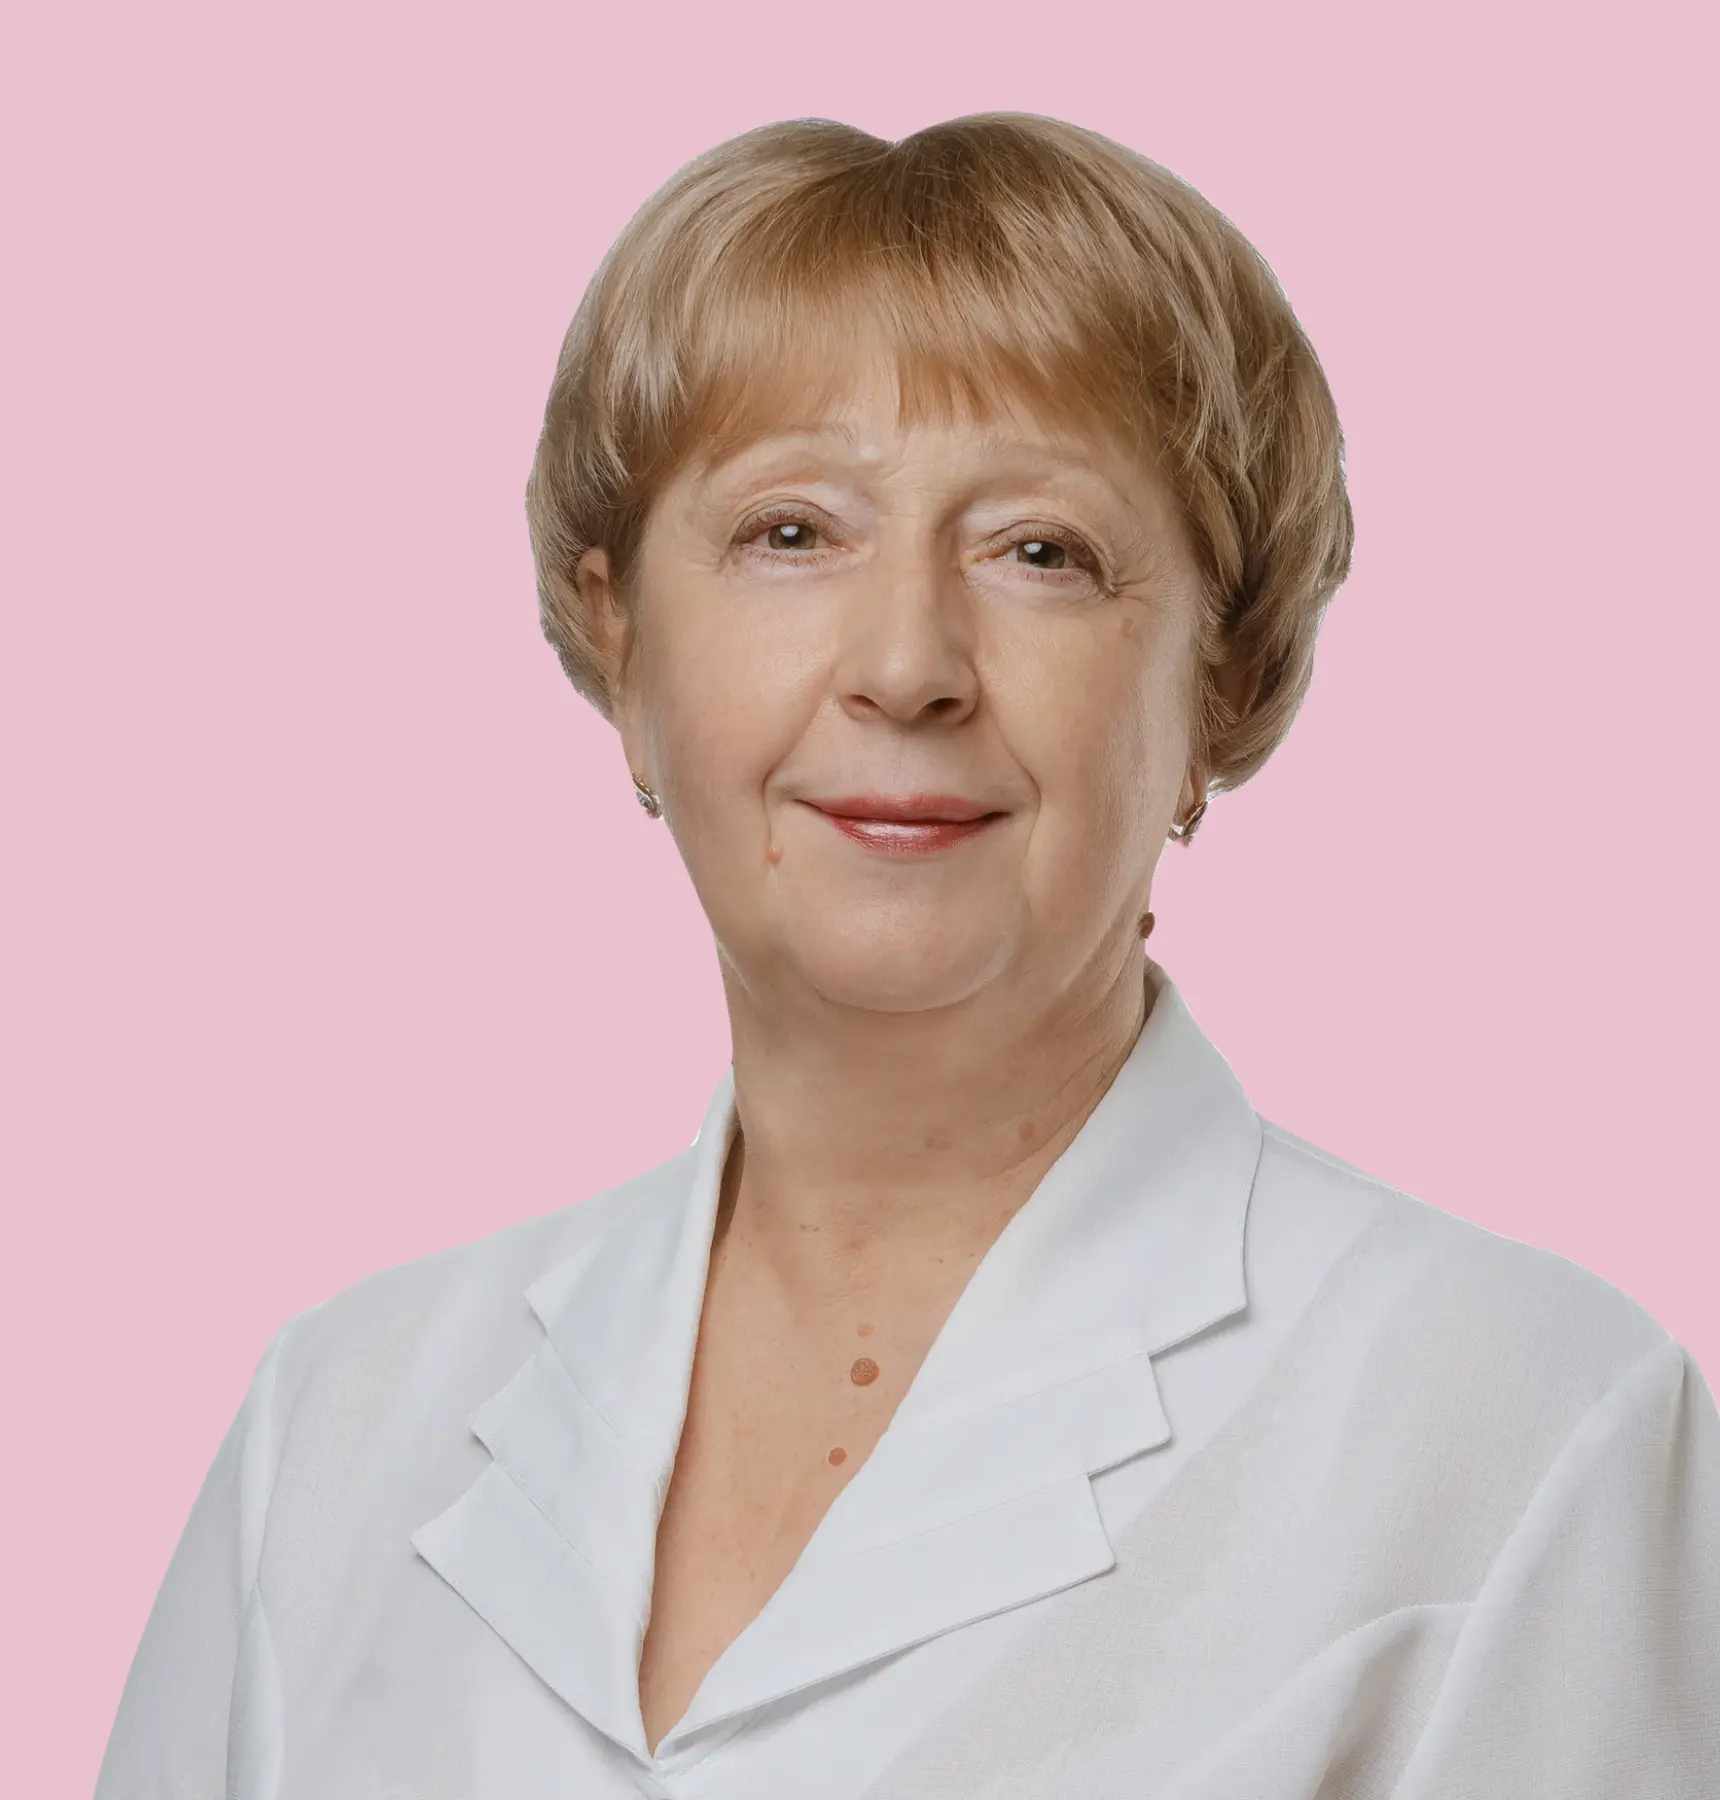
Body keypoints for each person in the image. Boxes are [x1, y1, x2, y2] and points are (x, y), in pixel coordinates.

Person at [96, 113, 1719, 1800]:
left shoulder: (1521, 1430)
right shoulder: (338, 1419)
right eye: (792, 532)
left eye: (1041, 553)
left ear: (1220, 683)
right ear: (621, 641)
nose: (905, 662)